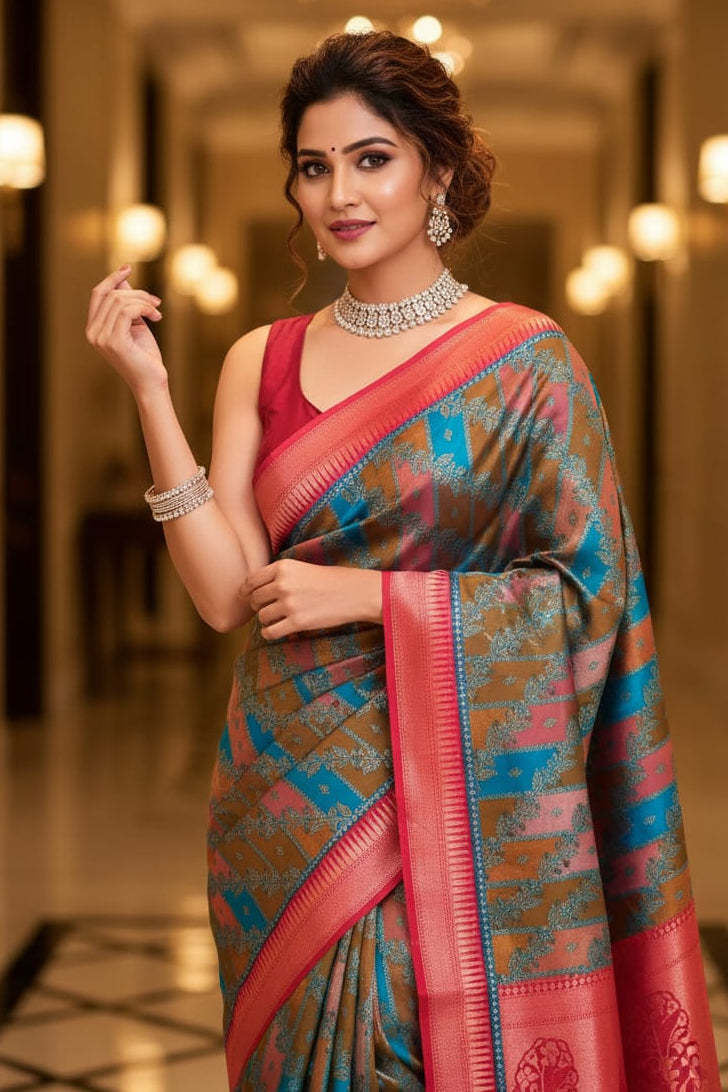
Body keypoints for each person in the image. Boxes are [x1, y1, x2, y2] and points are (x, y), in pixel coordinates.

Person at [86, 29, 719, 1092]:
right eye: (313, 163)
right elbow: (220, 596)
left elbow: (586, 598)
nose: (339, 191)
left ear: (435, 167)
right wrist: (150, 394)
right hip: (283, 797)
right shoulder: (262, 358)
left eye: (370, 158)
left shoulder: (527, 365)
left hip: (461, 804)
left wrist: (376, 598)